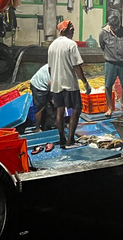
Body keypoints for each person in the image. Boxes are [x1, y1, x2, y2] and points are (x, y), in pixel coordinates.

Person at [46, 20, 91, 151]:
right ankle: (70, 140)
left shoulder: (52, 45)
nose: (73, 31)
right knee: (77, 109)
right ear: (65, 31)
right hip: (69, 83)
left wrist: (53, 80)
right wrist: (85, 82)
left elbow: (50, 68)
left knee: (60, 110)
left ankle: (62, 140)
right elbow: (77, 66)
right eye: (71, 29)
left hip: (56, 84)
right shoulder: (71, 44)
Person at [99, 13, 123, 117]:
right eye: (114, 27)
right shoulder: (103, 33)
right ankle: (110, 108)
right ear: (109, 25)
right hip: (110, 62)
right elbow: (102, 46)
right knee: (108, 85)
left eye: (117, 27)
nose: (116, 29)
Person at [30, 64, 51, 140]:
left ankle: (46, 124)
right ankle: (37, 128)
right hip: (39, 86)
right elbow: (51, 83)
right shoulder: (57, 67)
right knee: (40, 107)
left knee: (48, 104)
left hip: (46, 85)